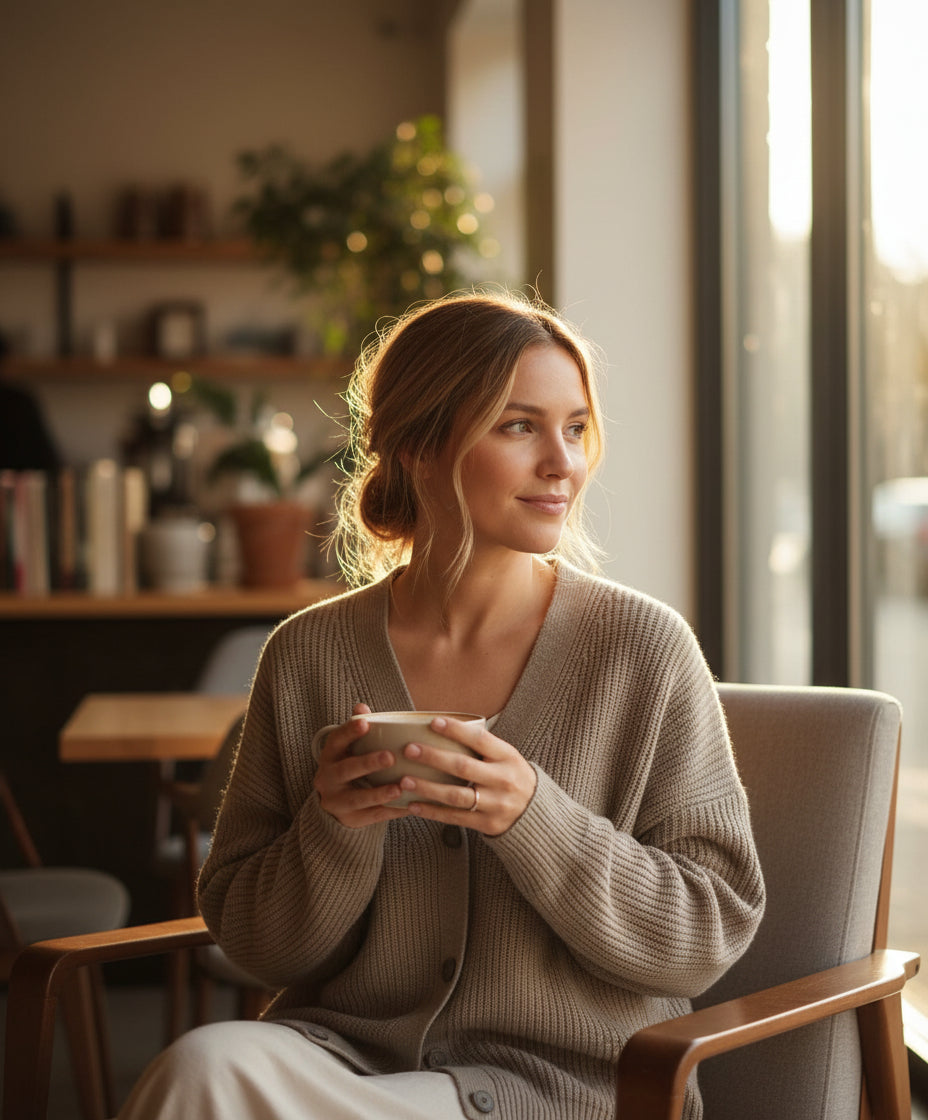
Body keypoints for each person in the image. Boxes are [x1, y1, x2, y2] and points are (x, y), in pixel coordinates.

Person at [119, 289, 765, 1120]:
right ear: (419, 447)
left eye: (574, 429)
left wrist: (535, 818)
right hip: (346, 1062)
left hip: (559, 1090)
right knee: (199, 1068)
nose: (562, 463)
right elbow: (254, 943)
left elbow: (707, 932)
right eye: (519, 426)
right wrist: (333, 829)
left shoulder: (643, 650)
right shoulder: (308, 653)